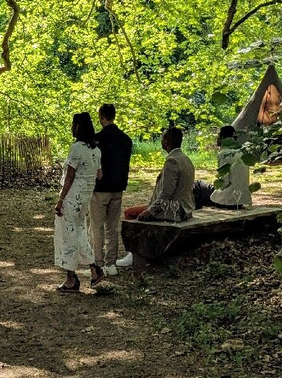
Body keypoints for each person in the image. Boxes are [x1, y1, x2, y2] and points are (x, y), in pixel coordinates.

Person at [54, 112, 103, 292]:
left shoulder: (77, 149)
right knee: (80, 230)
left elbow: (69, 177)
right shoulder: (96, 150)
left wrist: (60, 199)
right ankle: (93, 267)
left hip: (72, 197)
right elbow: (99, 175)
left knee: (69, 234)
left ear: (78, 127)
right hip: (85, 197)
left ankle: (71, 278)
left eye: (73, 124)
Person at [90, 102, 133, 282]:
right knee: (112, 227)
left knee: (97, 227)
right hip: (118, 187)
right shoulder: (126, 139)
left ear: (101, 116)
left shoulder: (96, 140)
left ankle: (98, 264)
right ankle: (111, 263)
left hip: (100, 189)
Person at [123, 127, 195, 222]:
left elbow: (166, 193)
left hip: (172, 211)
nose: (161, 141)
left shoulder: (172, 161)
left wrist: (150, 211)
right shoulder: (186, 159)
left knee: (129, 213)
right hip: (185, 209)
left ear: (166, 141)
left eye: (162, 138)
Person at [208, 125, 251, 209]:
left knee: (200, 188)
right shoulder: (242, 151)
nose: (217, 139)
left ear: (223, 137)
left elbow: (225, 181)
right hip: (243, 198)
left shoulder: (224, 153)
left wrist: (217, 187)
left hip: (229, 199)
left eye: (219, 136)